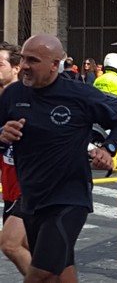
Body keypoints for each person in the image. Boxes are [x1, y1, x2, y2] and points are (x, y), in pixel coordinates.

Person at [0, 34, 117, 282]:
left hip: (68, 197)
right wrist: (2, 135)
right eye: (24, 59)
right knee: (61, 268)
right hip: (31, 197)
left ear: (54, 64)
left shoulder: (79, 94)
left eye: (33, 60)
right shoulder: (13, 95)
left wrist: (108, 148)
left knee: (40, 272)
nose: (25, 65)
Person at [0, 42, 30, 276]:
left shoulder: (29, 100)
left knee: (10, 244)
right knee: (32, 250)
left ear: (16, 68)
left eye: (0, 64)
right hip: (10, 188)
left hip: (31, 188)